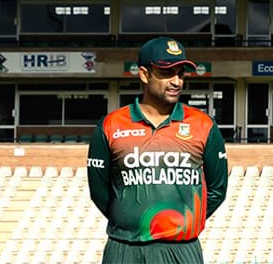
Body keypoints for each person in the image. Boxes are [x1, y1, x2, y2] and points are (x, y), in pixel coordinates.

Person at [88, 36, 228, 264]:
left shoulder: (204, 125)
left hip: (182, 250)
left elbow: (217, 190)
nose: (177, 82)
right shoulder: (110, 125)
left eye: (180, 74)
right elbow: (100, 193)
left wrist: (182, 223)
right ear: (144, 74)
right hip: (124, 248)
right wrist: (130, 220)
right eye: (166, 73)